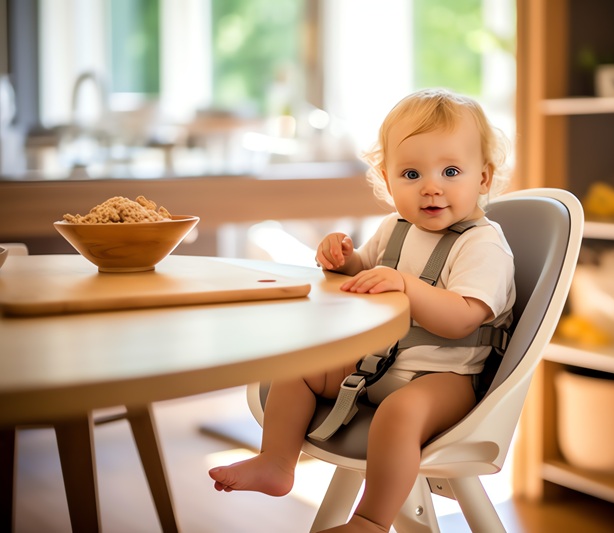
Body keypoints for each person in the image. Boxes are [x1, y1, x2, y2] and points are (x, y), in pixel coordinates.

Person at [208, 88, 516, 533]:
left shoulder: (482, 244)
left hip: (446, 378)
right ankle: (276, 463)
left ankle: (370, 520)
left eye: (451, 171)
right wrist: (345, 261)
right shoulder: (394, 228)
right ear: (388, 181)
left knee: (400, 414)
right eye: (411, 173)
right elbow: (369, 273)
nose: (431, 187)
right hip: (377, 365)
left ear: (483, 179)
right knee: (300, 366)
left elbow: (464, 317)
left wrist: (407, 286)